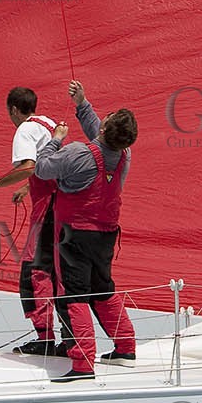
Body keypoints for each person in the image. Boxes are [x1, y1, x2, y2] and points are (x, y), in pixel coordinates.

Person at [34, 79, 138, 381]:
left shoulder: (77, 152)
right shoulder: (123, 155)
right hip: (106, 235)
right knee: (104, 289)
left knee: (73, 296)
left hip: (74, 236)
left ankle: (82, 364)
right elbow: (101, 138)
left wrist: (55, 139)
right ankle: (126, 348)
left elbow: (43, 168)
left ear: (105, 129)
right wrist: (82, 103)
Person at [0, 86, 65, 355]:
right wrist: (26, 188)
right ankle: (69, 338)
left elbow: (29, 166)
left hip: (49, 207)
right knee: (59, 271)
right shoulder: (47, 122)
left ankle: (44, 339)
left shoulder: (24, 129)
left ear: (12, 109)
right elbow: (50, 163)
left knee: (34, 272)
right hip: (64, 203)